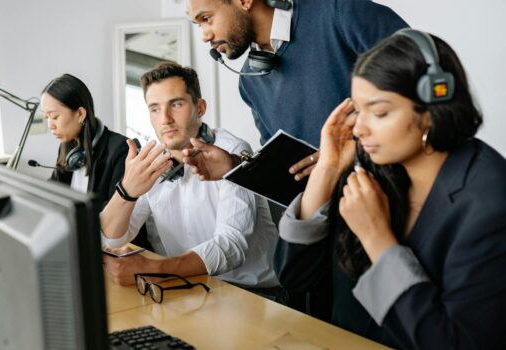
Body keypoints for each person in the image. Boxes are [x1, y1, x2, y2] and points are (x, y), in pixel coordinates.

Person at [275, 29, 506, 348]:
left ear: (432, 106)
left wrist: (376, 238)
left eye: (380, 112)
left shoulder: (490, 202)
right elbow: (296, 279)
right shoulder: (370, 167)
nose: (358, 127)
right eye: (358, 109)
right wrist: (327, 169)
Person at [100, 62, 280, 298]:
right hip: (189, 287)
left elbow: (231, 247)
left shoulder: (233, 152)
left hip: (254, 294)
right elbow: (113, 239)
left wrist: (153, 268)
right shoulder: (151, 161)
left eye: (176, 104)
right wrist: (126, 191)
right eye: (154, 108)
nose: (165, 119)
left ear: (200, 107)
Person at [183, 0, 407, 181]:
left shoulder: (339, 12)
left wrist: (352, 151)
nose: (205, 35)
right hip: (337, 219)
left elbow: (420, 82)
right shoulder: (250, 82)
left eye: (206, 19)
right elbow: (287, 166)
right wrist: (234, 165)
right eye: (199, 25)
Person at [43, 74, 129, 209]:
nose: (50, 125)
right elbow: (54, 190)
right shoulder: (67, 147)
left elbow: (116, 214)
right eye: (46, 117)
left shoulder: (120, 149)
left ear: (80, 114)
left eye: (54, 116)